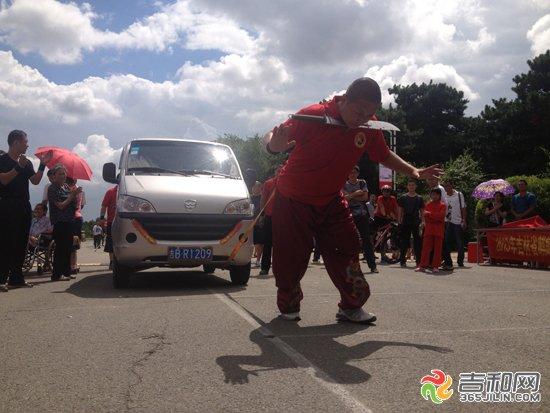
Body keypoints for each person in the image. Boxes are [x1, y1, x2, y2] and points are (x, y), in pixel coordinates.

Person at [263, 77, 441, 322]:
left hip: (331, 200)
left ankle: (351, 306)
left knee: (348, 246)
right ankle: (289, 306)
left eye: (369, 113)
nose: (362, 118)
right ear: (344, 101)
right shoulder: (313, 115)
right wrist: (275, 145)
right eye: (358, 111)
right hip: (293, 198)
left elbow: (384, 155)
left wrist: (413, 171)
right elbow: (271, 136)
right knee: (290, 256)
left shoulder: (369, 126)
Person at [0, 130, 51, 291]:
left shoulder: (27, 162)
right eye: (25, 142)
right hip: (7, 204)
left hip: (24, 205)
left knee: (22, 242)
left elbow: (35, 181)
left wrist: (43, 164)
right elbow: (4, 180)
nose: (28, 145)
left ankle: (16, 278)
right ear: (15, 142)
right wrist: (17, 167)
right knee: (6, 242)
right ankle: (1, 279)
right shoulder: (2, 160)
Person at [48, 164, 81, 281]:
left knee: (68, 248)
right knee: (60, 248)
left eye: (64, 173)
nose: (63, 176)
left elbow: (75, 204)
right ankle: (56, 274)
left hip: (69, 220)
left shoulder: (66, 187)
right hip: (59, 221)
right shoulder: (52, 188)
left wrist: (75, 195)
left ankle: (66, 272)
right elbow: (60, 206)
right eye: (60, 174)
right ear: (54, 176)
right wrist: (72, 195)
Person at [343, 166, 378, 273]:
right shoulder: (344, 184)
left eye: (354, 172)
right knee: (349, 240)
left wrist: (351, 196)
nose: (352, 174)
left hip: (362, 214)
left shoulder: (362, 182)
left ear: (358, 173)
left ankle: (372, 266)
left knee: (366, 239)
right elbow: (344, 198)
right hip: (348, 214)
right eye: (350, 172)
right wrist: (356, 194)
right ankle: (349, 265)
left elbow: (365, 198)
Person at [416, 188, 446, 273]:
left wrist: (430, 215)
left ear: (439, 195)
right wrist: (433, 216)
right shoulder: (428, 204)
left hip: (438, 230)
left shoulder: (442, 205)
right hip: (429, 229)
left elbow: (441, 216)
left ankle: (435, 266)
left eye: (436, 194)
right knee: (425, 248)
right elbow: (426, 217)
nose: (434, 196)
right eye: (432, 194)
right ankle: (422, 265)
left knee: (438, 249)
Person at [259, 167, 281, 276]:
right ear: (275, 172)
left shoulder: (287, 183)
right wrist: (262, 215)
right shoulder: (268, 183)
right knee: (267, 244)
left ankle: (279, 269)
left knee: (280, 245)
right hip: (269, 216)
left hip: (283, 218)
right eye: (278, 170)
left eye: (282, 170)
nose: (280, 172)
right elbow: (263, 199)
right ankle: (264, 268)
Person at [397, 180, 424, 268]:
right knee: (404, 241)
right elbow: (400, 210)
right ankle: (402, 261)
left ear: (415, 186)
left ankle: (418, 261)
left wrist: (423, 221)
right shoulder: (403, 197)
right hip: (406, 220)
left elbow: (422, 211)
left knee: (417, 242)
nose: (411, 187)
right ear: (407, 187)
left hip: (416, 221)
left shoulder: (419, 198)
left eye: (413, 185)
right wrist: (399, 220)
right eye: (409, 185)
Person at [441, 180, 467, 269]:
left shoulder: (459, 195)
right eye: (445, 186)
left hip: (457, 221)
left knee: (459, 242)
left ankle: (460, 261)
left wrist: (464, 220)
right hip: (447, 221)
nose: (447, 188)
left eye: (448, 186)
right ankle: (448, 261)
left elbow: (463, 207)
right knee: (446, 242)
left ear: (452, 185)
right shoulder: (443, 196)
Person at [373, 185, 399, 263]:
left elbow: (395, 209)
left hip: (387, 218)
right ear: (382, 192)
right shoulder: (380, 198)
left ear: (390, 192)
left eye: (388, 191)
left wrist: (397, 219)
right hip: (379, 217)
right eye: (384, 191)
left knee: (386, 235)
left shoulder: (393, 199)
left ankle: (384, 254)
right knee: (374, 233)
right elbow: (381, 207)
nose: (386, 193)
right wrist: (385, 215)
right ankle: (371, 248)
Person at [67, 177, 85, 275]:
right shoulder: (80, 190)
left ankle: (70, 266)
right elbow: (81, 205)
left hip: (71, 218)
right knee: (75, 244)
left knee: (70, 244)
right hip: (78, 216)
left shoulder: (71, 190)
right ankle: (74, 265)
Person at [101, 184, 118, 269]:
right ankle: (112, 262)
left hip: (126, 221)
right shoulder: (110, 192)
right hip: (112, 221)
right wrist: (101, 217)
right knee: (111, 242)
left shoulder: (128, 191)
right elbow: (104, 205)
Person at [250, 181, 264, 268]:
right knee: (252, 242)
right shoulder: (249, 198)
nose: (255, 189)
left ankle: (258, 260)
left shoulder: (262, 198)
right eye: (254, 187)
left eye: (257, 187)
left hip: (259, 223)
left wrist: (261, 219)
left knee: (259, 242)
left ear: (260, 188)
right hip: (250, 223)